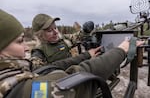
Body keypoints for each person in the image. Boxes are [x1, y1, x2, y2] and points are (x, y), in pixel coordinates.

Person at [0, 9, 144, 98]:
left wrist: (86, 32)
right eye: (49, 30)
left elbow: (77, 37)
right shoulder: (37, 54)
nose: (55, 32)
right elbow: (54, 74)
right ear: (40, 35)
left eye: (55, 28)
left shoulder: (65, 41)